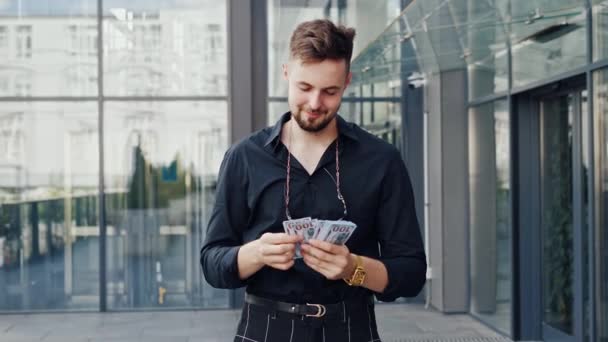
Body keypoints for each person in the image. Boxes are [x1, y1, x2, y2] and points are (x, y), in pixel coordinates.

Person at [200, 19, 426, 342]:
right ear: (286, 73)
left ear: (347, 83)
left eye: (330, 91)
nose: (316, 103)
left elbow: (412, 272)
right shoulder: (244, 158)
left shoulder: (382, 161)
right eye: (305, 88)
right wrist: (257, 253)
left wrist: (353, 268)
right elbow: (211, 262)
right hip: (264, 328)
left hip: (352, 328)